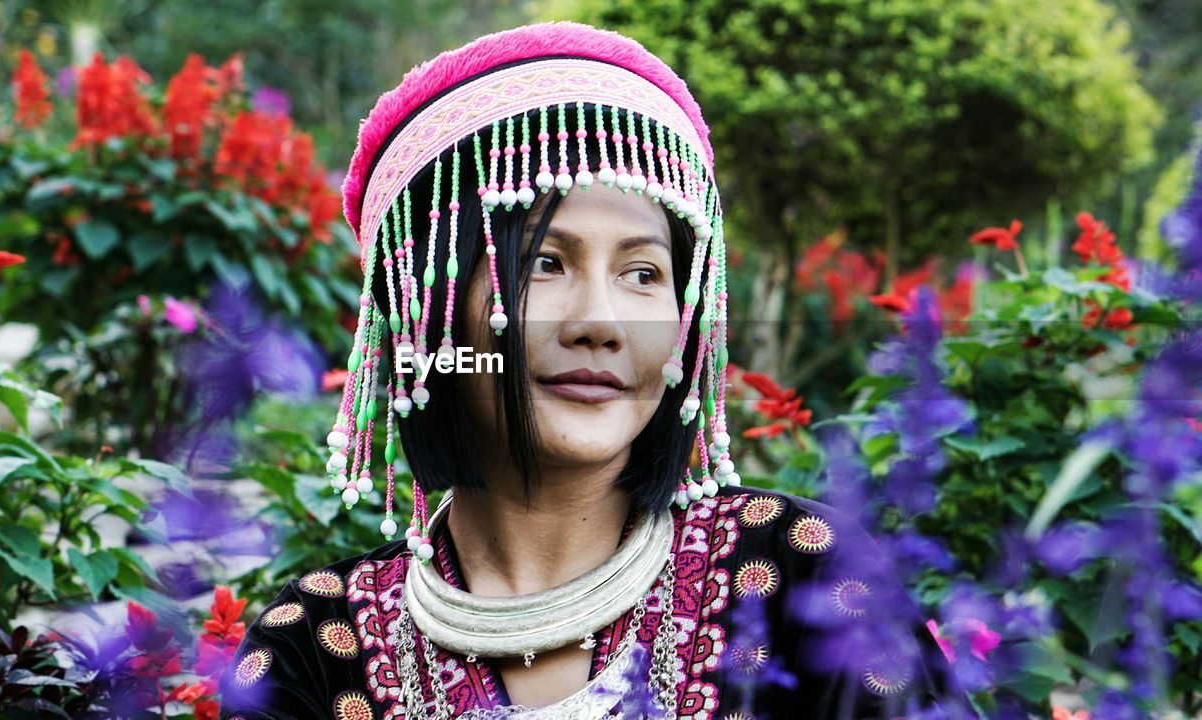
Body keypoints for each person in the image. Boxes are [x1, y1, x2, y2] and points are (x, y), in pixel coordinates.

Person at [220, 21, 977, 720]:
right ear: (430, 314)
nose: (601, 323)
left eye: (644, 275)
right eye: (544, 263)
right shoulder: (317, 647)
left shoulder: (803, 575)